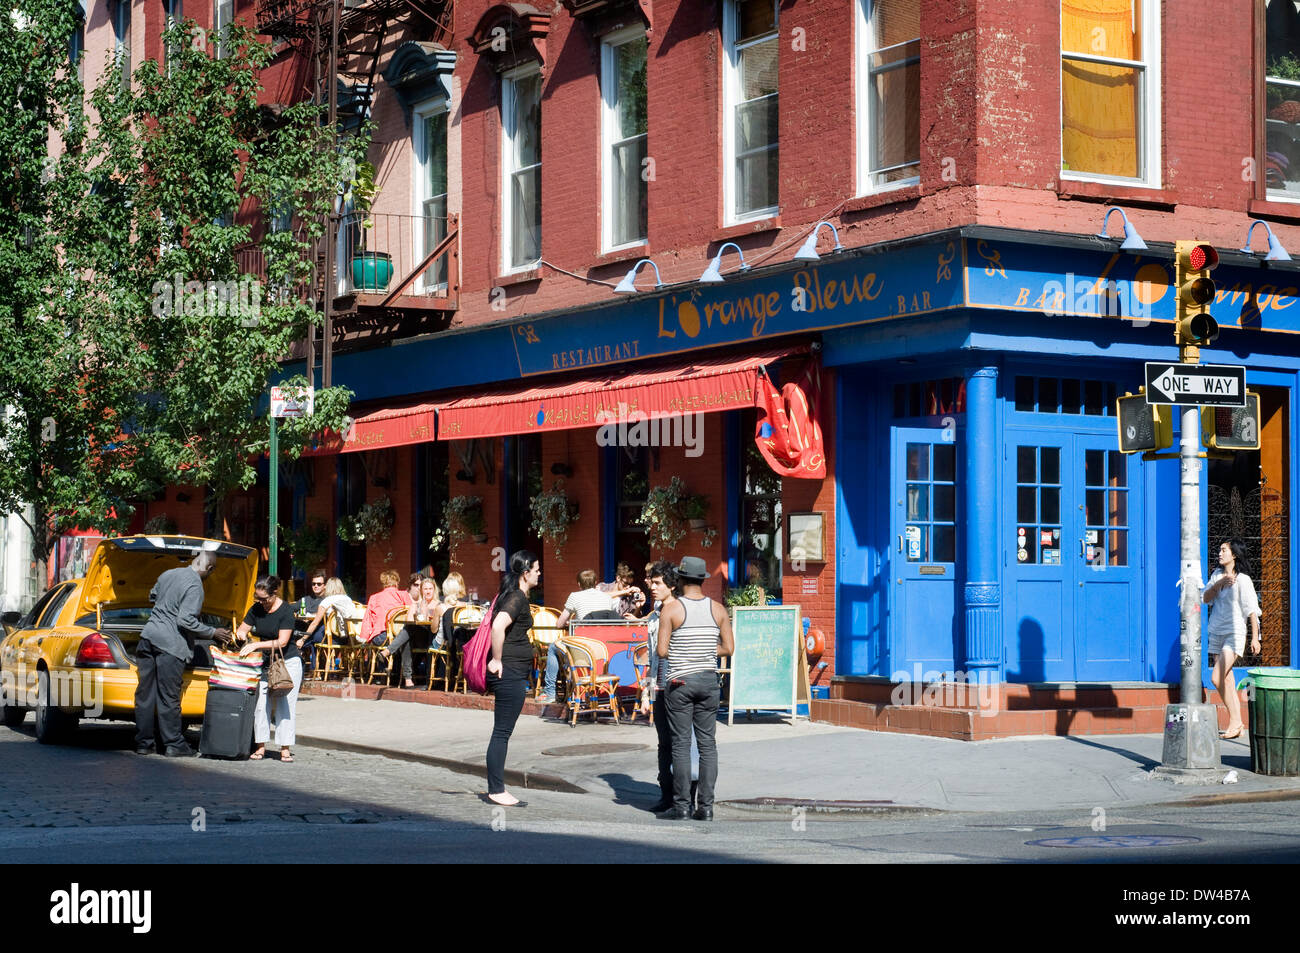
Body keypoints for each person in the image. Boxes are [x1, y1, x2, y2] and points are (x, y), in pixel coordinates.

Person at [656, 556, 733, 821]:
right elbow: (729, 648)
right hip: (709, 681)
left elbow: (662, 651)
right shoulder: (718, 609)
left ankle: (681, 807)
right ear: (702, 580)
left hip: (680, 682)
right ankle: (706, 807)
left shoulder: (672, 609)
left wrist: (686, 650)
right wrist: (704, 651)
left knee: (680, 745)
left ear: (679, 579)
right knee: (707, 745)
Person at [135, 552, 231, 757]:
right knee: (168, 697)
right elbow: (185, 620)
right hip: (170, 645)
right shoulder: (196, 585)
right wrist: (214, 632)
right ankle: (173, 744)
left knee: (145, 695)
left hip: (148, 638)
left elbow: (152, 596)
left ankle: (144, 743)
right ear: (210, 569)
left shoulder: (168, 573)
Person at [485, 550, 542, 807]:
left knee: (502, 731)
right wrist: (497, 660)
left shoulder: (514, 595)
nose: (540, 573)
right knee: (502, 732)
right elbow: (498, 626)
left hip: (512, 671)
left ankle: (496, 788)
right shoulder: (517, 597)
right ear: (525, 572)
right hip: (508, 672)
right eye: (537, 570)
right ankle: (496, 790)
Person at [237, 575, 300, 762]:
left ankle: (285, 748)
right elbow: (243, 628)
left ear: (275, 593)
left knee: (285, 704)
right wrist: (241, 635)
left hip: (286, 662)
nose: (261, 602)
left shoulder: (286, 611)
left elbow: (282, 642)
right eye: (258, 598)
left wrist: (255, 646)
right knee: (260, 704)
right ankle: (261, 746)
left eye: (264, 599)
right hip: (265, 663)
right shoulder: (256, 608)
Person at [1204, 538, 1262, 740]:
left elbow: (1252, 611)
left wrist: (1255, 638)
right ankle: (1236, 724)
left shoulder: (1243, 580)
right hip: (1216, 632)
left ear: (1234, 555)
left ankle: (1236, 722)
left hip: (1234, 633)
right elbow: (1205, 598)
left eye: (1224, 550)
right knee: (1227, 681)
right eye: (1219, 550)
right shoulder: (1217, 575)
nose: (1220, 553)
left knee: (1215, 677)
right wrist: (1219, 583)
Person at [538, 569, 615, 703]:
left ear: (579, 584)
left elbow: (559, 623)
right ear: (596, 583)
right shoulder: (607, 597)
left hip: (582, 646)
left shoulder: (574, 596)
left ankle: (550, 692)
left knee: (552, 648)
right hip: (602, 646)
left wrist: (569, 623)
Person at [645, 560, 679, 813]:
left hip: (678, 685)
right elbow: (650, 656)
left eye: (657, 583)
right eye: (652, 582)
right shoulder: (654, 617)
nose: (652, 587)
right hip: (658, 686)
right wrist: (647, 691)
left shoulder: (679, 612)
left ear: (671, 585)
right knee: (663, 742)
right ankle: (665, 794)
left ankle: (683, 796)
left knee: (679, 742)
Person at [379, 573, 442, 687]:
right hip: (418, 639)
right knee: (407, 636)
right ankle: (408, 679)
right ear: (421, 590)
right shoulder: (416, 604)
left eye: (430, 589)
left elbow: (435, 628)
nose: (428, 591)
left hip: (432, 638)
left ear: (434, 590)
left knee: (408, 632)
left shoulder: (438, 605)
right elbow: (409, 621)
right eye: (425, 589)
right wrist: (419, 608)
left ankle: (389, 651)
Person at [295, 577, 362, 667]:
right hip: (349, 638)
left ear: (328, 587)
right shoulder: (348, 599)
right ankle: (319, 666)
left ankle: (310, 665)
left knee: (311, 635)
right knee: (316, 633)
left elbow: (314, 623)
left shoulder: (327, 601)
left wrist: (303, 639)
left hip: (333, 639)